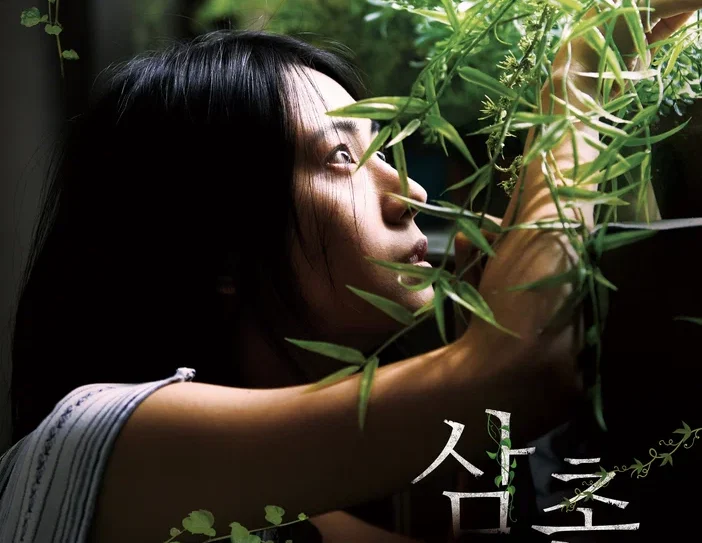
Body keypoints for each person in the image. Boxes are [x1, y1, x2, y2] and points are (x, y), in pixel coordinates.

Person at [1, 2, 697, 542]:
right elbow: (523, 372)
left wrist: (478, 330)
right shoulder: (105, 437)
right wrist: (578, 78)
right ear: (222, 245)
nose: (410, 193)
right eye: (341, 157)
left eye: (382, 151)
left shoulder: (293, 511)